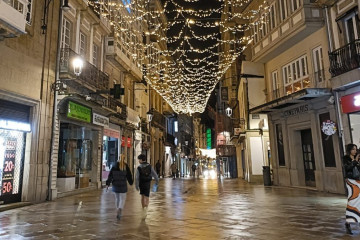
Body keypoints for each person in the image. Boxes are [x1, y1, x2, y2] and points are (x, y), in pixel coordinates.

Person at [106, 155, 133, 220]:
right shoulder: (125, 166)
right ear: (124, 159)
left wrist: (107, 184)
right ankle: (120, 209)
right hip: (123, 185)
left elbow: (110, 176)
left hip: (115, 185)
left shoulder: (114, 166)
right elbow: (129, 175)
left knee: (117, 198)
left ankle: (117, 208)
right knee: (122, 199)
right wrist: (131, 182)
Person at [135, 154, 159, 220]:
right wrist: (157, 181)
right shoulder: (150, 166)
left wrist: (136, 185)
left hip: (141, 183)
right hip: (147, 183)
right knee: (147, 196)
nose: (139, 161)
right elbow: (155, 175)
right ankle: (146, 207)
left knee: (142, 196)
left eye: (139, 160)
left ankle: (143, 209)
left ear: (141, 160)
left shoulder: (139, 167)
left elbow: (137, 177)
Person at [343, 143, 360, 235]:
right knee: (352, 201)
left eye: (356, 149)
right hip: (350, 181)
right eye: (353, 149)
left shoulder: (358, 157)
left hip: (358, 181)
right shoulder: (345, 158)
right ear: (349, 150)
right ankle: (348, 222)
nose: (355, 151)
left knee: (359, 201)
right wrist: (354, 161)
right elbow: (347, 168)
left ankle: (358, 219)